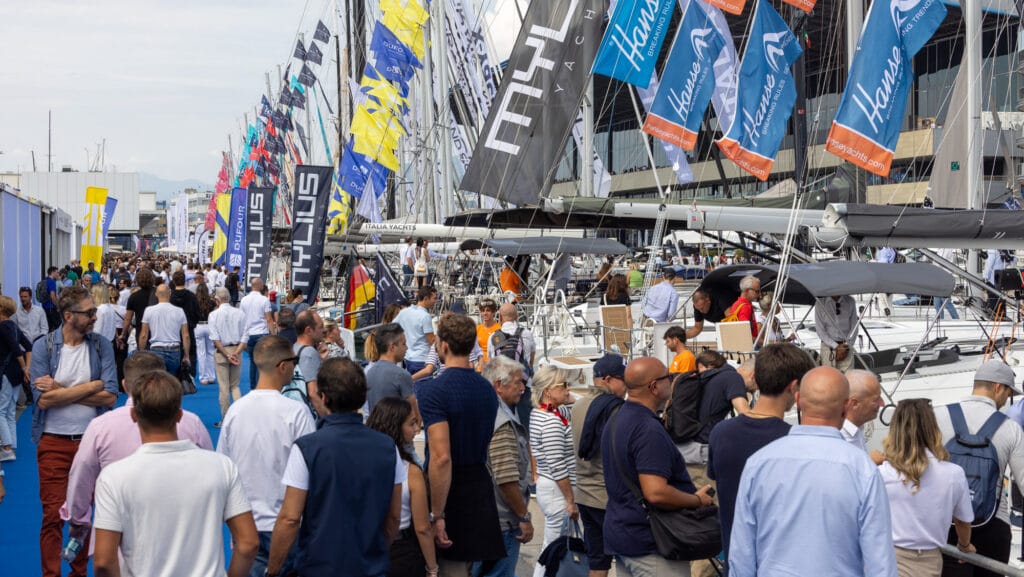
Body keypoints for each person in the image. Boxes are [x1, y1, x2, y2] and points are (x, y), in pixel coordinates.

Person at [729, 367, 897, 577]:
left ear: (798, 400)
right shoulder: (862, 469)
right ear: (846, 408)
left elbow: (742, 552)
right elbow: (879, 560)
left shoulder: (759, 463)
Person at [92, 370, 259, 577]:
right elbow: (248, 543)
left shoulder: (113, 477)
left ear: (134, 415)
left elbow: (103, 561)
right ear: (180, 415)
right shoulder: (222, 466)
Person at [61, 351, 213, 556]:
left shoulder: (101, 427)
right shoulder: (190, 422)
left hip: (119, 540)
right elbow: (210, 474)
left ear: (125, 385)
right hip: (181, 537)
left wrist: (78, 519)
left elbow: (81, 475)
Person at [266, 358, 405, 577]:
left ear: (323, 397)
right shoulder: (388, 447)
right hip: (370, 566)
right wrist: (375, 553)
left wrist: (273, 570)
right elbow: (394, 516)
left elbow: (290, 518)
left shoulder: (307, 448)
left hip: (319, 567)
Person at [30, 285, 118, 577]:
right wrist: (91, 386)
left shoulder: (101, 345)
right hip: (53, 443)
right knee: (52, 517)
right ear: (69, 316)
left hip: (92, 444)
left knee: (83, 518)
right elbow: (43, 400)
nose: (95, 316)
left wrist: (61, 389)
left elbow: (110, 396)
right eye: (89, 312)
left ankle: (78, 573)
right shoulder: (44, 347)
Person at [601, 357, 714, 575]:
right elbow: (656, 493)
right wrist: (696, 500)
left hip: (624, 535)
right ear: (654, 386)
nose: (671, 381)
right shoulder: (647, 429)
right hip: (650, 543)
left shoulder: (617, 419)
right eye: (668, 377)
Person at [707, 343, 814, 568]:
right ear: (794, 387)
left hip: (736, 561)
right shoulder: (794, 442)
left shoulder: (720, 433)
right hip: (780, 564)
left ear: (755, 377)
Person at [217, 336, 317, 577]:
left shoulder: (235, 411)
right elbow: (312, 469)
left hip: (244, 522)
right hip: (287, 524)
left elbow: (223, 466)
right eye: (294, 361)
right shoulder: (297, 412)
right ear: (283, 366)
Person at [418, 313, 505, 575]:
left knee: (449, 568)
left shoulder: (434, 391)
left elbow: (441, 456)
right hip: (479, 482)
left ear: (443, 345)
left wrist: (437, 514)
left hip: (449, 490)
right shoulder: (487, 389)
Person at [933, 360, 1024, 577]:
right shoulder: (1010, 428)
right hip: (993, 524)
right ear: (998, 387)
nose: (1005, 401)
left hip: (946, 521)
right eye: (1008, 393)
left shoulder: (937, 415)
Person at [880, 399, 975, 577]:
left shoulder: (881, 473)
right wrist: (964, 545)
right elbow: (962, 521)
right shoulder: (954, 473)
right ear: (932, 428)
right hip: (929, 562)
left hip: (889, 559)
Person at [367, 397, 439, 577]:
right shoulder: (411, 471)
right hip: (402, 551)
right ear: (395, 426)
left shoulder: (362, 462)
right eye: (412, 423)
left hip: (366, 546)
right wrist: (432, 568)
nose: (417, 429)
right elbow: (422, 528)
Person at [570, 353, 627, 577]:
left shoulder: (578, 405)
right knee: (627, 560)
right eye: (623, 380)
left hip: (584, 495)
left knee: (597, 564)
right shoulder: (616, 408)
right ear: (608, 380)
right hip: (607, 498)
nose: (626, 386)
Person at [477, 356, 533, 577]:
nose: (523, 387)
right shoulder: (500, 422)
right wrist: (524, 517)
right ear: (499, 385)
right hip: (503, 522)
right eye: (518, 382)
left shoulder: (487, 411)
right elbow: (506, 477)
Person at [529, 364, 577, 577]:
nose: (568, 389)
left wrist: (536, 472)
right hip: (558, 491)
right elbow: (558, 464)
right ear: (547, 390)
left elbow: (575, 403)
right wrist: (570, 500)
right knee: (554, 547)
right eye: (563, 385)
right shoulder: (551, 421)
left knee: (554, 544)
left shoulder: (543, 413)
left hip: (549, 486)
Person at [677, 350, 750, 488]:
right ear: (753, 375)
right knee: (713, 504)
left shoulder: (700, 380)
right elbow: (745, 414)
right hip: (702, 455)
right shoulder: (732, 377)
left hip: (683, 450)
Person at [489, 303, 536, 429]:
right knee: (526, 424)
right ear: (516, 316)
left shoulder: (493, 337)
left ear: (500, 316)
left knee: (504, 423)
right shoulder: (526, 334)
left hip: (502, 387)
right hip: (524, 384)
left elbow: (492, 362)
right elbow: (531, 359)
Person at [209, 287, 247, 425]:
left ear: (217, 299)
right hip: (237, 349)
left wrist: (227, 354)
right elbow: (245, 336)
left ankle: (226, 419)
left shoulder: (213, 315)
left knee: (223, 387)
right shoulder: (240, 313)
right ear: (229, 298)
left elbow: (215, 339)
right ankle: (239, 418)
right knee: (235, 386)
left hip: (222, 351)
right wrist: (236, 353)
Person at [0, 295, 31, 462]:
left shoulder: (3, 327)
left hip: (6, 372)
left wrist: (25, 367)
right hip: (15, 374)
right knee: (10, 411)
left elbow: (16, 349)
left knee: (1, 411)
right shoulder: (13, 325)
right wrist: (26, 367)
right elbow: (28, 346)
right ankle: (11, 444)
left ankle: (6, 448)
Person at [365, 322, 417, 415]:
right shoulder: (401, 375)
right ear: (392, 347)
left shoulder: (369, 372)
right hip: (396, 428)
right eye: (404, 344)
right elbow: (414, 413)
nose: (407, 348)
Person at [139, 284, 190, 376]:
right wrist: (186, 355)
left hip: (156, 349)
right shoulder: (179, 311)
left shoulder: (148, 310)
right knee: (172, 380)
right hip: (174, 350)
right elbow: (185, 335)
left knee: (157, 380)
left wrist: (141, 351)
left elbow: (144, 335)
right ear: (170, 294)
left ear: (156, 294)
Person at [241, 277, 276, 391]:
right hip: (262, 333)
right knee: (263, 362)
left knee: (253, 361)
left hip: (249, 333)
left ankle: (253, 387)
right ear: (260, 286)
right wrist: (273, 334)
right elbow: (269, 319)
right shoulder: (264, 300)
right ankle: (262, 385)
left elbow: (242, 318)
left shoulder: (244, 300)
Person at [843, 369, 886, 464]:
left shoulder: (856, 429)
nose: (882, 404)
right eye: (876, 400)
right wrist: (869, 462)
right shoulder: (839, 438)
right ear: (854, 404)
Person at [394, 285, 437, 376]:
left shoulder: (404, 312)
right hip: (422, 360)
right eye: (434, 298)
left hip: (408, 358)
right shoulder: (425, 316)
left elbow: (392, 327)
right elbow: (431, 341)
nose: (435, 302)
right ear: (425, 298)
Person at [291, 310, 326, 415]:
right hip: (310, 415)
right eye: (320, 327)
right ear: (309, 330)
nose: (323, 330)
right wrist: (328, 418)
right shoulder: (309, 353)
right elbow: (313, 393)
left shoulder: (294, 348)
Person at [815, 294, 859, 370]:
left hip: (846, 347)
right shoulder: (820, 303)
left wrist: (845, 347)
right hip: (827, 345)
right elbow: (820, 331)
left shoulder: (850, 301)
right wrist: (836, 346)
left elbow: (854, 327)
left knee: (848, 378)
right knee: (829, 378)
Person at [170, 269, 201, 377]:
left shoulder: (170, 296)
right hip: (189, 328)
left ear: (173, 281)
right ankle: (189, 375)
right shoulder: (191, 296)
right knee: (191, 352)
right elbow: (197, 313)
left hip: (173, 330)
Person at [118, 266, 156, 353]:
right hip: (156, 330)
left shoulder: (134, 296)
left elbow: (128, 318)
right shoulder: (157, 293)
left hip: (141, 330)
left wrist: (123, 334)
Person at [195, 282, 218, 385]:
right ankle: (211, 376)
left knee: (201, 353)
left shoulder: (194, 302)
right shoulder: (212, 302)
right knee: (210, 352)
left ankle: (203, 377)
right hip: (209, 326)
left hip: (198, 326)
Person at [476, 299, 501, 371]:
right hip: (479, 367)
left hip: (494, 368)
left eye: (488, 310)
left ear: (493, 312)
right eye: (483, 311)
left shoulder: (499, 329)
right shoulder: (477, 329)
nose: (485, 313)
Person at [42, 266, 62, 330]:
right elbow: (53, 296)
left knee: (48, 327)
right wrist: (58, 306)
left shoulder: (45, 280)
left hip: (45, 307)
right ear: (52, 272)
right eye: (57, 272)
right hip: (51, 308)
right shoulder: (52, 282)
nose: (58, 274)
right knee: (57, 327)